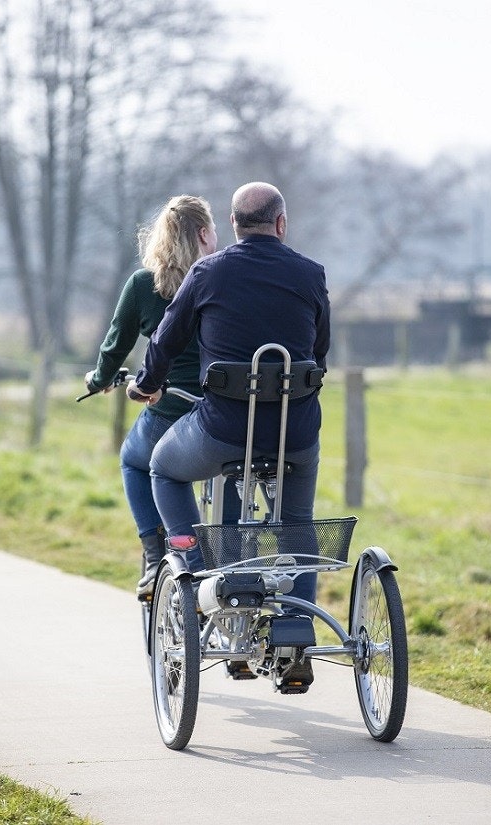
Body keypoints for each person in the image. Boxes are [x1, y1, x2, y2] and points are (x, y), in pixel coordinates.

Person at [127, 182, 330, 662]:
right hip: (295, 434)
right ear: (281, 224)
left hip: (221, 432)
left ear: (234, 227)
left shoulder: (207, 272)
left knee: (160, 466)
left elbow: (165, 340)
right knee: (298, 523)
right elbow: (319, 353)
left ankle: (198, 571)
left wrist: (146, 382)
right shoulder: (311, 274)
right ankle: (295, 630)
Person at [84, 194, 237, 597]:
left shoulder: (144, 285)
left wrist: (99, 378)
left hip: (171, 409)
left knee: (135, 459)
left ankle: (158, 556)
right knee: (236, 465)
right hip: (229, 410)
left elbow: (115, 345)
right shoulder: (225, 279)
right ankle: (234, 558)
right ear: (204, 234)